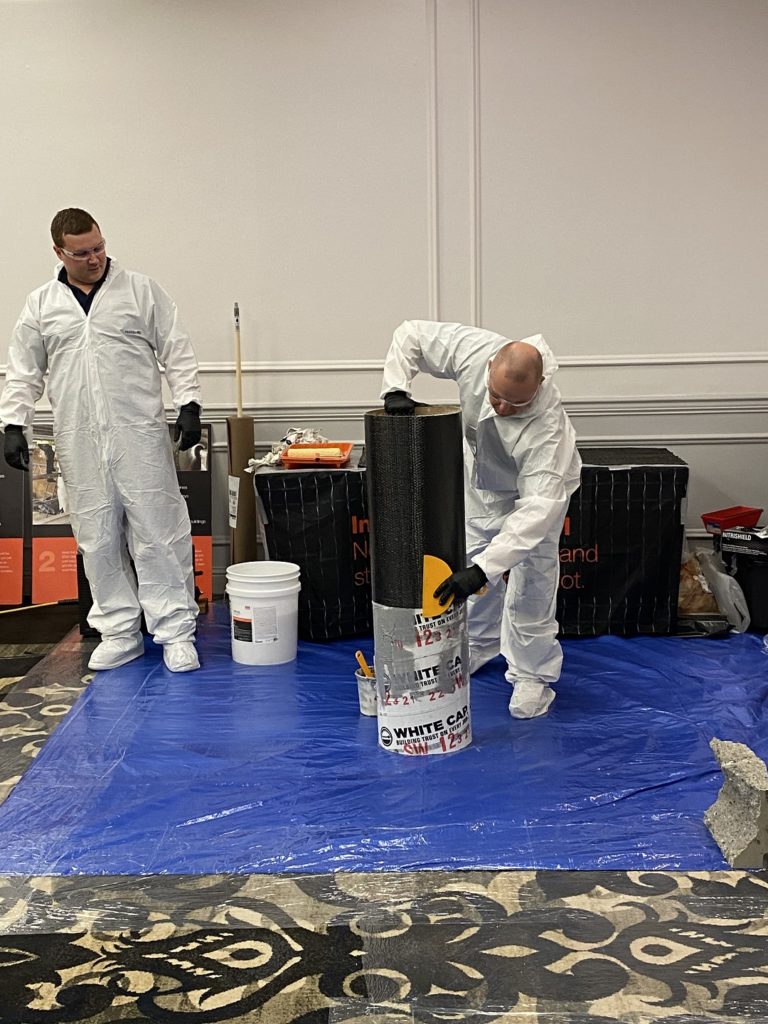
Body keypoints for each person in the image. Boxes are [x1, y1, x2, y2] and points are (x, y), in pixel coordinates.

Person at [0, 208, 202, 673]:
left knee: (159, 531)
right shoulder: (41, 305)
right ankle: (117, 630)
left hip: (140, 433)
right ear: (59, 252)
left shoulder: (141, 290)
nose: (94, 258)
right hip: (78, 438)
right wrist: (14, 424)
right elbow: (24, 370)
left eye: (99, 247)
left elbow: (176, 347)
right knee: (97, 537)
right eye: (82, 252)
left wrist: (188, 403)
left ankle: (175, 632)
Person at [381, 320, 581, 718]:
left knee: (532, 581)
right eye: (495, 395)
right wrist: (396, 387)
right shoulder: (474, 349)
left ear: (538, 387)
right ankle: (480, 643)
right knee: (470, 558)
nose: (501, 407)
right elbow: (411, 335)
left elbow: (536, 511)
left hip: (535, 495)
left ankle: (531, 676)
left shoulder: (548, 431)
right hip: (483, 482)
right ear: (489, 366)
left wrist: (484, 570)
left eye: (514, 403)